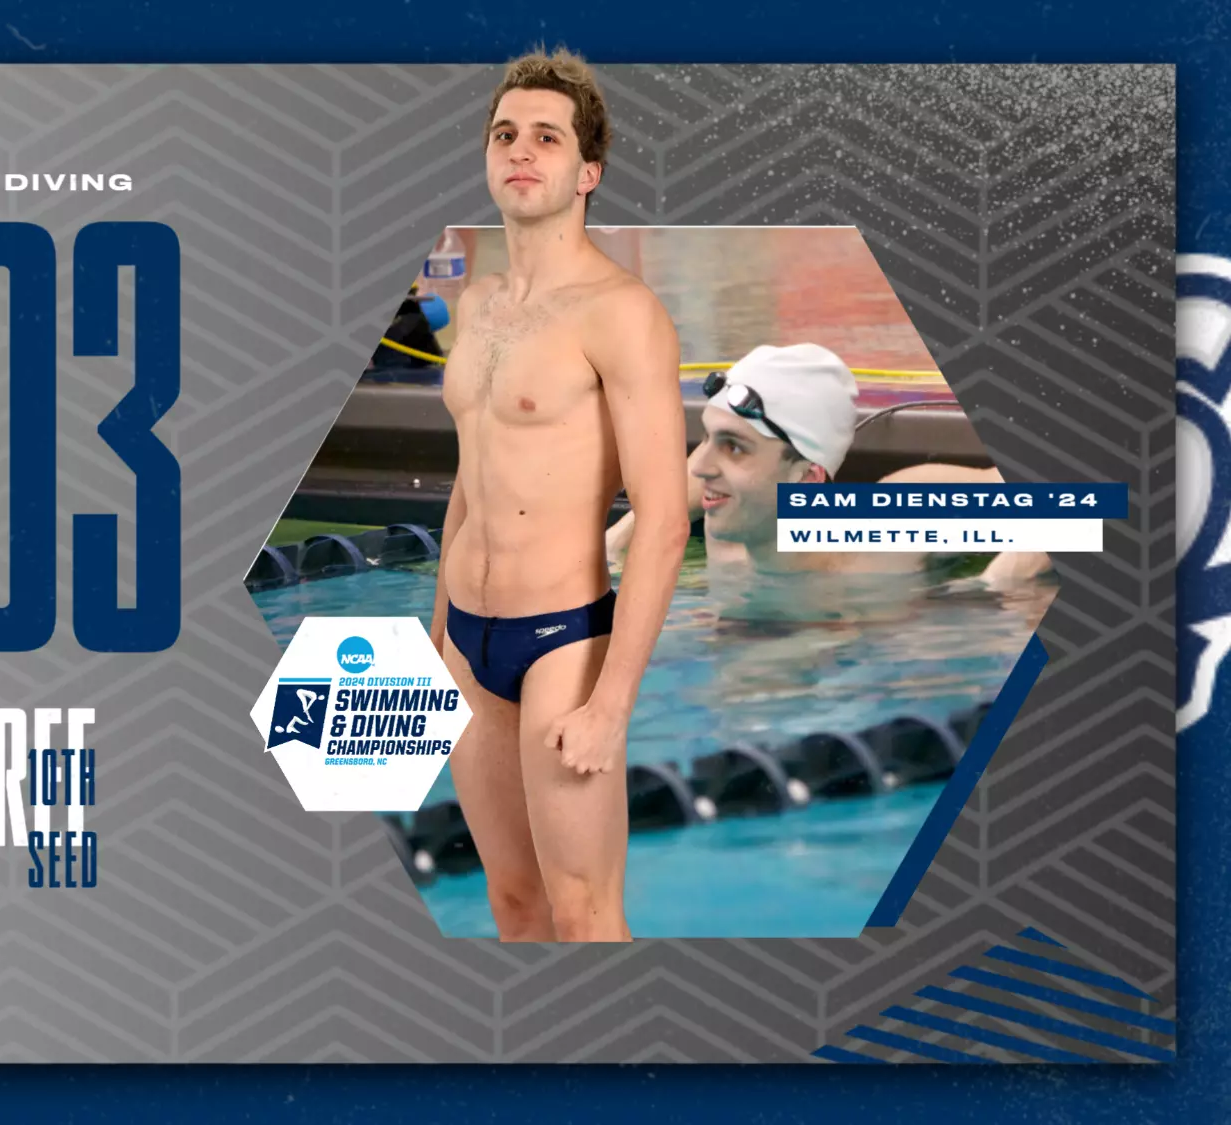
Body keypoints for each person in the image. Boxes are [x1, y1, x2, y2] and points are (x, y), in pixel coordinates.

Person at [425, 48, 691, 943]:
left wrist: (612, 703)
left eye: (547, 136)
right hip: (466, 636)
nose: (520, 151)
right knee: (513, 902)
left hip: (562, 644)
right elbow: (472, 476)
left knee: (583, 912)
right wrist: (435, 632)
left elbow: (663, 517)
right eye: (505, 134)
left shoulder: (621, 311)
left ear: (589, 172)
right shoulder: (480, 306)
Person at [603, 342, 1054, 594]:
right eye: (705, 438)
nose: (700, 466)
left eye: (734, 449)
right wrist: (620, 537)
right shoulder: (732, 525)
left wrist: (998, 586)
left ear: (808, 481)